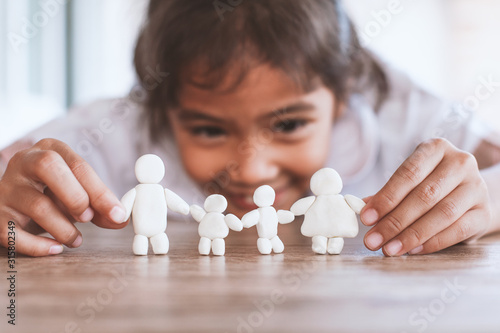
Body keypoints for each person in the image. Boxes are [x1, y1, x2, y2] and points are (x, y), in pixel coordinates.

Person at [1, 0, 499, 257]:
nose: (253, 168)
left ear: (344, 97)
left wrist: (486, 198)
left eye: (289, 124)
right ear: (159, 105)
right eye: (209, 130)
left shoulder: (396, 111)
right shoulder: (116, 128)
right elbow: (18, 167)